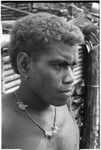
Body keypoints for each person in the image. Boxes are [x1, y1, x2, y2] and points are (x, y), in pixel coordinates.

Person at [2, 12, 84, 150]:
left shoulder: (64, 104)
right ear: (25, 64)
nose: (71, 79)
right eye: (59, 65)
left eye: (72, 66)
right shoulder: (3, 120)